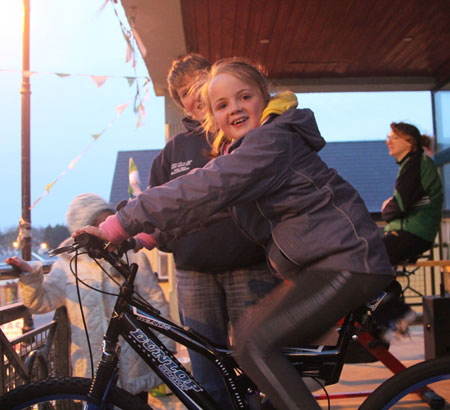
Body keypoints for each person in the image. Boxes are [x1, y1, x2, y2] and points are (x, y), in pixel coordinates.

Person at [74, 58, 393, 409]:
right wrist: (135, 239)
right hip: (326, 265)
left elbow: (205, 187)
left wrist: (119, 223)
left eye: (244, 97)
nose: (235, 108)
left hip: (347, 261)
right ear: (211, 117)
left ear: (264, 97)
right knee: (258, 357)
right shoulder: (248, 151)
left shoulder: (271, 141)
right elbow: (202, 213)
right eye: (222, 105)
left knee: (252, 343)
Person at [147, 54, 280, 408]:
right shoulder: (173, 150)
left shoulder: (244, 133)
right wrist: (175, 241)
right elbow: (156, 206)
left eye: (197, 84)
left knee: (259, 356)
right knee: (206, 365)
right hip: (193, 274)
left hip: (250, 263)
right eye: (182, 93)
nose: (192, 95)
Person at [5, 193, 175, 404]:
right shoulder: (68, 264)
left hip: (131, 362)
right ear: (82, 228)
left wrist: (166, 350)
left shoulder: (131, 254)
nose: (105, 228)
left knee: (134, 404)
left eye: (109, 220)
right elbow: (42, 301)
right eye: (98, 223)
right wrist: (29, 275)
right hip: (92, 366)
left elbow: (155, 302)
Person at [382, 122, 443, 266]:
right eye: (388, 138)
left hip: (413, 233)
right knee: (371, 255)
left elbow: (399, 206)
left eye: (395, 138)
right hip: (415, 232)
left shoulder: (415, 164)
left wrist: (386, 209)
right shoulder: (414, 163)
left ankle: (389, 289)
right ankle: (389, 287)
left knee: (370, 256)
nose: (389, 142)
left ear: (410, 143)